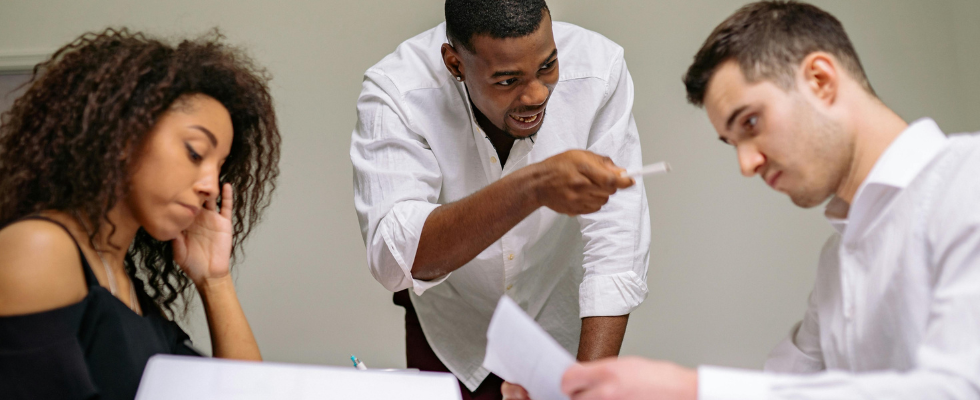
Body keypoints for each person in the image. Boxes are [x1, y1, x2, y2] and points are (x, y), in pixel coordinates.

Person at [544, 1, 980, 399]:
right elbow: (784, 386)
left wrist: (688, 389)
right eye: (731, 141)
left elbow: (956, 388)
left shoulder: (968, 180)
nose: (747, 163)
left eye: (750, 122)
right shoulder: (837, 262)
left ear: (820, 80)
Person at [350, 0, 651, 398]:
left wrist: (588, 387)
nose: (537, 95)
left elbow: (615, 242)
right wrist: (532, 187)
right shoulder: (398, 91)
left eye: (547, 66)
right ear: (454, 63)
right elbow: (393, 260)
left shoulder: (599, 69)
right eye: (507, 81)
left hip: (559, 316)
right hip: (453, 331)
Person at [0, 28, 281, 400]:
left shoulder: (129, 292)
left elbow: (247, 394)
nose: (211, 186)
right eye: (196, 153)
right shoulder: (39, 248)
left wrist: (214, 280)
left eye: (220, 166)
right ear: (124, 136)